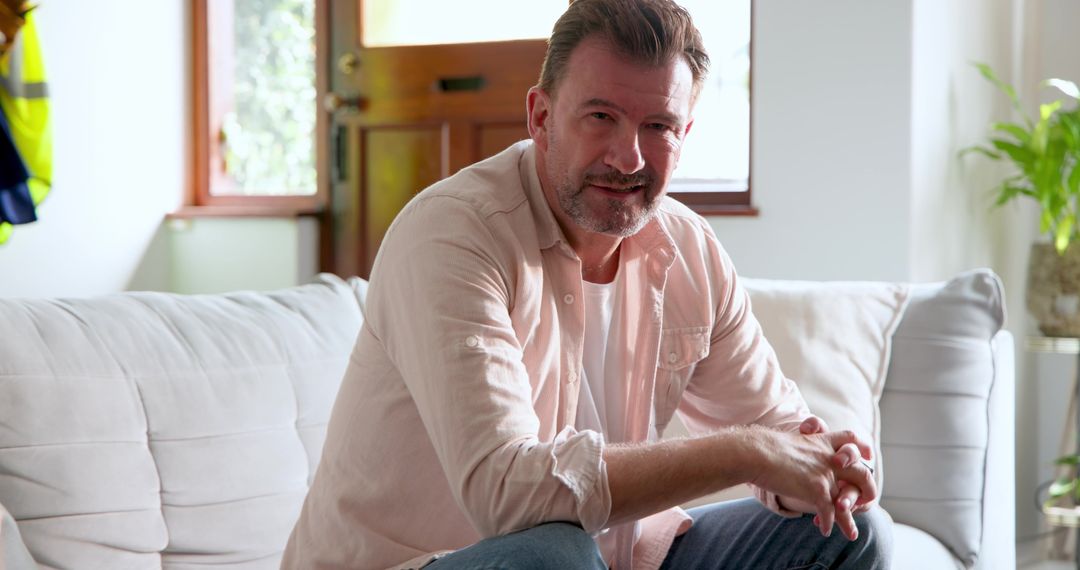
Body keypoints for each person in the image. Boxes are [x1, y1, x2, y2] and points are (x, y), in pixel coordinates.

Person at [282, 0, 892, 568]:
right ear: (541, 116)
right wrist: (746, 452)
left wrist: (830, 469)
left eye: (659, 126)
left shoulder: (690, 251)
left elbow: (781, 432)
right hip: (437, 561)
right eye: (601, 117)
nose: (629, 157)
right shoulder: (453, 236)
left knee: (855, 538)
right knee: (551, 554)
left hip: (611, 554)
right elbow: (506, 496)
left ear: (685, 136)